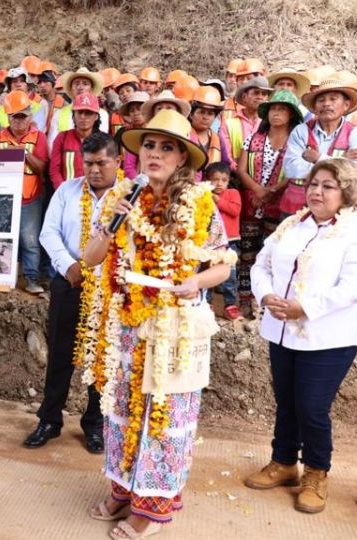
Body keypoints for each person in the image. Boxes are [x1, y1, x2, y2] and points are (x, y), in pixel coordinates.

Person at [82, 109, 234, 537]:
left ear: (183, 158)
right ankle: (123, 489)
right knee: (122, 410)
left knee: (162, 416)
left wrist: (195, 281)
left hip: (174, 328)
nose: (155, 153)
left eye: (167, 147)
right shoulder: (119, 199)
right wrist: (111, 228)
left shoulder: (201, 204)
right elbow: (91, 259)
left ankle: (153, 505)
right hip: (128, 327)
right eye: (149, 145)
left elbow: (222, 266)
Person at [246, 158, 357, 514]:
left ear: (348, 192)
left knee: (312, 405)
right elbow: (261, 264)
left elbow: (354, 287)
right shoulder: (293, 224)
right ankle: (284, 462)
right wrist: (265, 295)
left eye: (327, 186)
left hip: (328, 336)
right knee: (286, 399)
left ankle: (316, 472)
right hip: (281, 330)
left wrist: (303, 307)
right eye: (313, 184)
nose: (316, 191)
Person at [25, 132, 118, 453]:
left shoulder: (129, 196)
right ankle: (49, 420)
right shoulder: (67, 190)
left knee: (101, 356)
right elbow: (48, 231)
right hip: (69, 280)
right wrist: (68, 266)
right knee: (60, 352)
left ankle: (94, 424)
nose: (94, 170)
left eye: (101, 163)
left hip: (109, 286)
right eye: (88, 163)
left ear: (117, 162)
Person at [235, 90, 303, 316]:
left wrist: (273, 190)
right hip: (252, 202)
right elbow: (241, 169)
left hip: (281, 205)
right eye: (273, 108)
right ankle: (245, 298)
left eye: (282, 109)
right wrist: (258, 190)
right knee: (247, 252)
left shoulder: (297, 141)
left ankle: (271, 300)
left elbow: (295, 171)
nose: (276, 113)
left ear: (291, 114)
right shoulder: (254, 138)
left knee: (276, 253)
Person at [281, 76, 357, 221]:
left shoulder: (356, 133)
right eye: (321, 100)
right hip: (297, 207)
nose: (326, 104)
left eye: (333, 99)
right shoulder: (301, 131)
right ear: (315, 107)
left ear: (346, 105)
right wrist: (342, 160)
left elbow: (356, 172)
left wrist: (318, 158)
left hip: (339, 210)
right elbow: (291, 168)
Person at [0, 90, 50, 294]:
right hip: (4, 198)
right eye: (14, 116)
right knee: (3, 237)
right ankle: (2, 277)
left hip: (29, 196)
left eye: (22, 116)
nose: (18, 121)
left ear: (30, 116)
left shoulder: (39, 137)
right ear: (7, 117)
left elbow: (42, 167)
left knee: (30, 240)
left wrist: (23, 154)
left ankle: (32, 279)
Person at [205, 162, 242, 319]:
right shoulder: (204, 195)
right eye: (215, 180)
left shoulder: (233, 193)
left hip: (230, 241)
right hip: (210, 242)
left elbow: (235, 210)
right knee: (207, 271)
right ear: (207, 181)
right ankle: (207, 304)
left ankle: (230, 304)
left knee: (230, 275)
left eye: (223, 180)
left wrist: (217, 200)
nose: (219, 183)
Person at [50, 93, 100, 190]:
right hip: (66, 195)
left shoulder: (103, 140)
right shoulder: (61, 138)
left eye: (88, 113)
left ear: (96, 116)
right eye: (79, 112)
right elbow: (54, 170)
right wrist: (64, 192)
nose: (83, 117)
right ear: (73, 115)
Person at [221, 76, 272, 163]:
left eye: (264, 94)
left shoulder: (271, 124)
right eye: (256, 93)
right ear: (244, 97)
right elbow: (226, 156)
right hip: (234, 174)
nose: (260, 97)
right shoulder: (228, 124)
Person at [49, 67, 106, 144]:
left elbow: (102, 144)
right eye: (76, 83)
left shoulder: (102, 114)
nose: (80, 87)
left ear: (91, 88)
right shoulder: (59, 114)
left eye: (85, 84)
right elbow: (52, 143)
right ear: (71, 88)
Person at [188, 86, 232, 178]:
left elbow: (225, 164)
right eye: (201, 112)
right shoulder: (184, 134)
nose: (205, 117)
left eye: (210, 113)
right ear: (191, 114)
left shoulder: (218, 138)